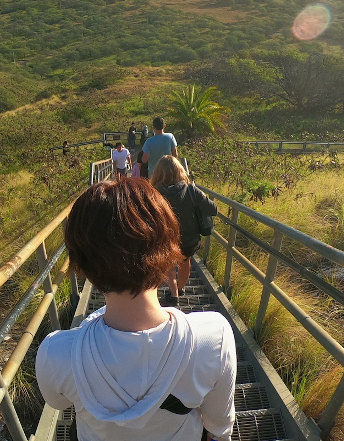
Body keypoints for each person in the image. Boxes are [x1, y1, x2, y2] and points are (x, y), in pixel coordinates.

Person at [37, 179, 236, 441]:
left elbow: (58, 403)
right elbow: (219, 427)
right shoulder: (213, 337)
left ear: (82, 265)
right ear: (168, 248)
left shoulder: (56, 354)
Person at [150, 156, 217, 307]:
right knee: (185, 262)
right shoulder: (191, 191)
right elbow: (213, 209)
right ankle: (180, 289)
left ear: (158, 173)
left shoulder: (153, 193)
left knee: (168, 265)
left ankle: (173, 294)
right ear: (180, 170)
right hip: (188, 239)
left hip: (164, 239)